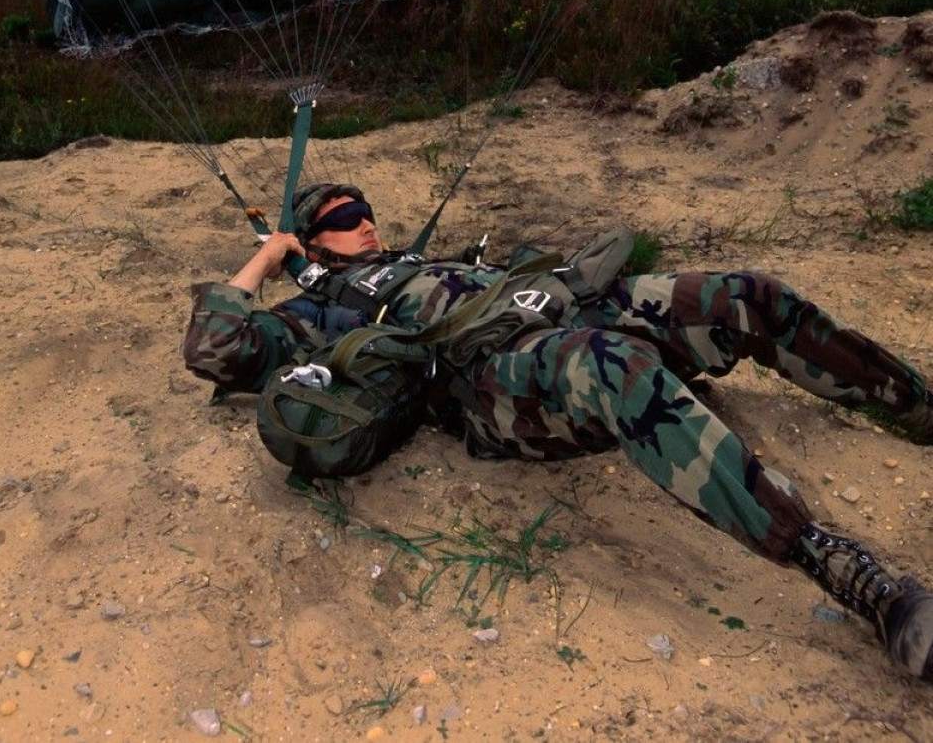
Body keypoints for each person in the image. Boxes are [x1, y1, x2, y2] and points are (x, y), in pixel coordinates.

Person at [184, 182, 933, 682]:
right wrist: (267, 258)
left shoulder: (414, 260)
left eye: (365, 208)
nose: (366, 221)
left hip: (567, 308)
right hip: (499, 381)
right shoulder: (319, 312)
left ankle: (915, 405)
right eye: (344, 219)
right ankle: (848, 574)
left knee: (747, 295)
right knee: (613, 366)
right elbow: (214, 349)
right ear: (314, 244)